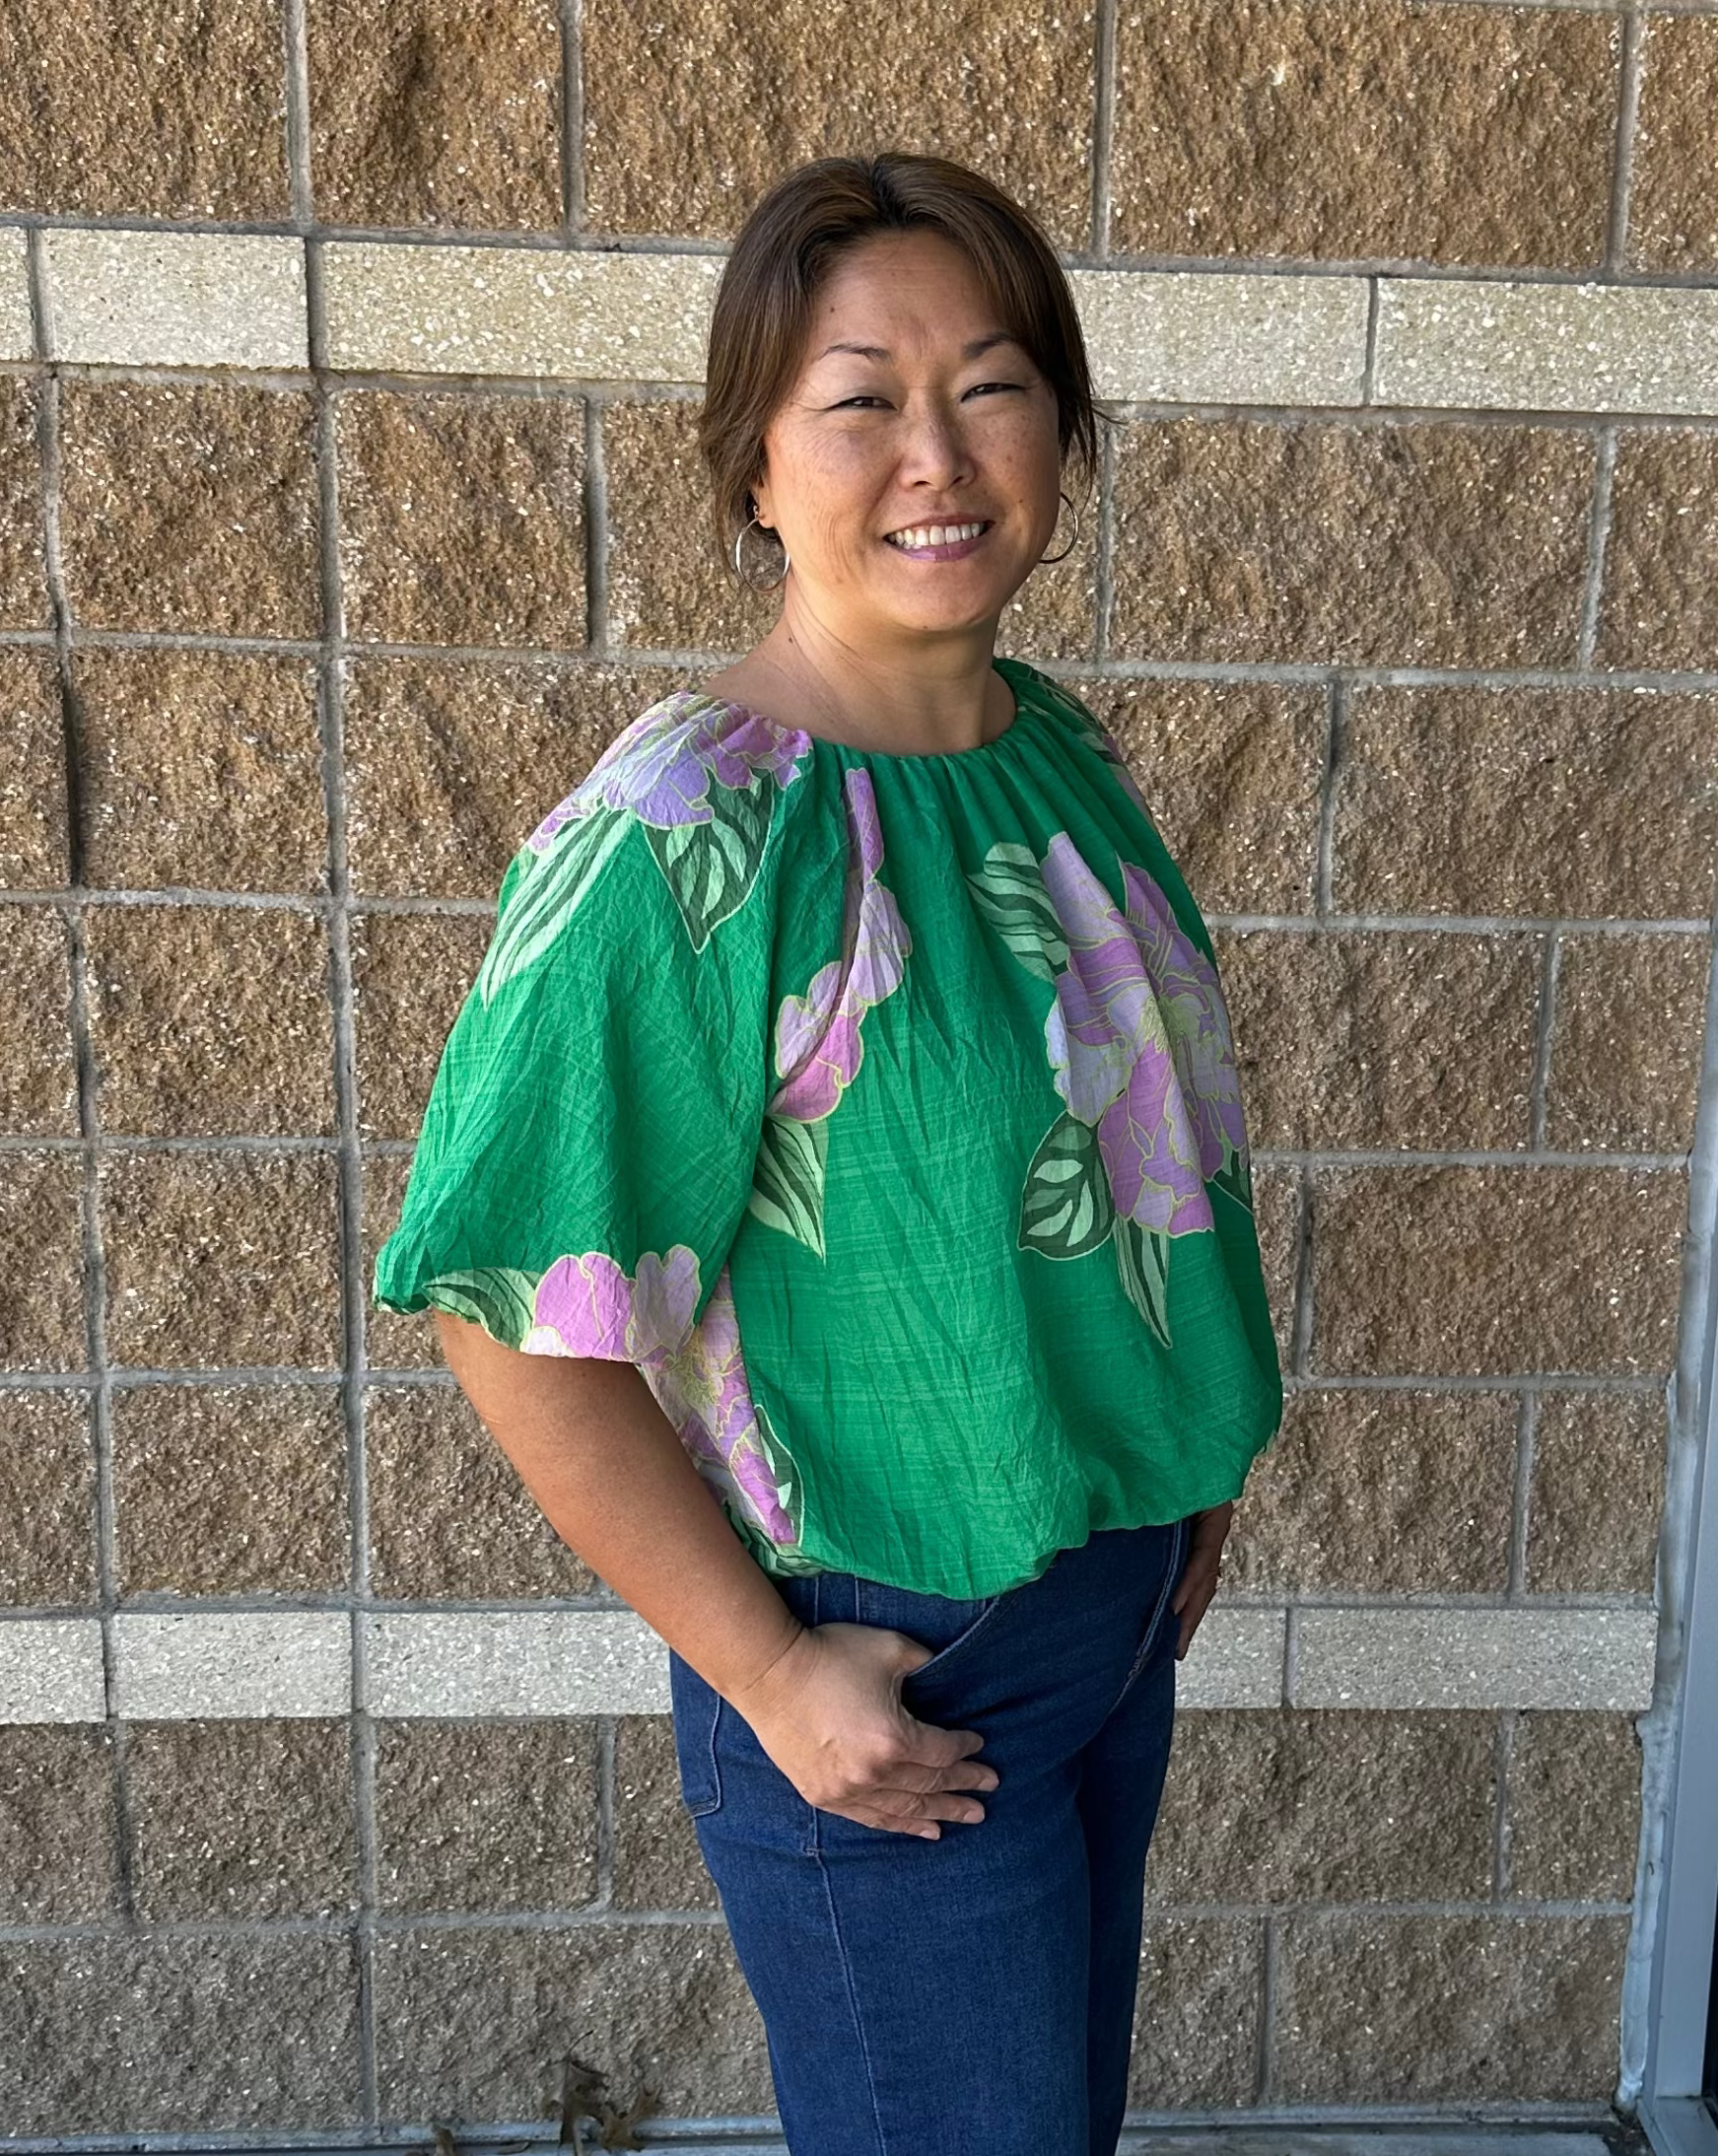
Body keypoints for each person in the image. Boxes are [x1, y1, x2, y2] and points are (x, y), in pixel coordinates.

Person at [372, 149, 1284, 2156]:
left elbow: (1142, 1165)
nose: (936, 453)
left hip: (1099, 1605)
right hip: (881, 1658)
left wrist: (1179, 1471)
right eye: (859, 395)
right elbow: (510, 1312)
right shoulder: (684, 838)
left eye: (991, 383)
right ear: (755, 464)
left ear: (1061, 423)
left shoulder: (1055, 752)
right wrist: (773, 1678)